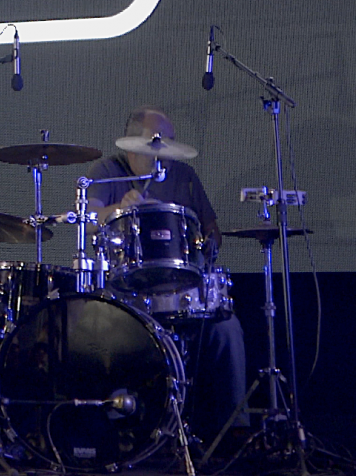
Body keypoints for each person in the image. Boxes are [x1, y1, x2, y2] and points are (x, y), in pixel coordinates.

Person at [85, 106, 247, 436]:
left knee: (227, 328)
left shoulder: (185, 177)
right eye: (158, 142)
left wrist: (209, 243)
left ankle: (232, 431)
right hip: (127, 294)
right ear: (131, 146)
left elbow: (211, 228)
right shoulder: (107, 171)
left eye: (170, 142)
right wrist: (119, 208)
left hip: (180, 291)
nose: (166, 152)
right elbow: (89, 220)